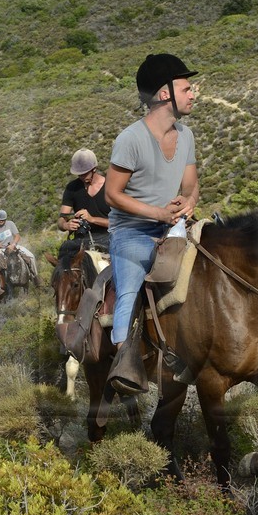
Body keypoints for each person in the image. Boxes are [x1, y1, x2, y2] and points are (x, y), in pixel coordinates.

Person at [104, 53, 200, 394]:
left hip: (173, 226)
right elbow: (112, 195)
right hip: (132, 231)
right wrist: (157, 213)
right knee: (130, 283)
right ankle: (125, 359)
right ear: (164, 94)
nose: (194, 93)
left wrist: (187, 202)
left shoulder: (186, 135)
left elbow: (191, 184)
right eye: (187, 88)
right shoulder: (130, 139)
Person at [58, 147, 111, 264]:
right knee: (64, 252)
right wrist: (66, 225)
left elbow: (119, 222)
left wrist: (92, 219)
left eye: (84, 173)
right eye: (79, 174)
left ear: (94, 169)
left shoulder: (110, 186)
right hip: (82, 239)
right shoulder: (72, 188)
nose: (81, 177)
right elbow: (61, 220)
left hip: (108, 236)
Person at [0, 209, 37, 286]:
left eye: (3, 220)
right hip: (1, 249)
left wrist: (13, 244)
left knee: (31, 256)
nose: (1, 221)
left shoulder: (10, 224)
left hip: (12, 246)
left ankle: (35, 277)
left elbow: (17, 236)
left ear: (5, 219)